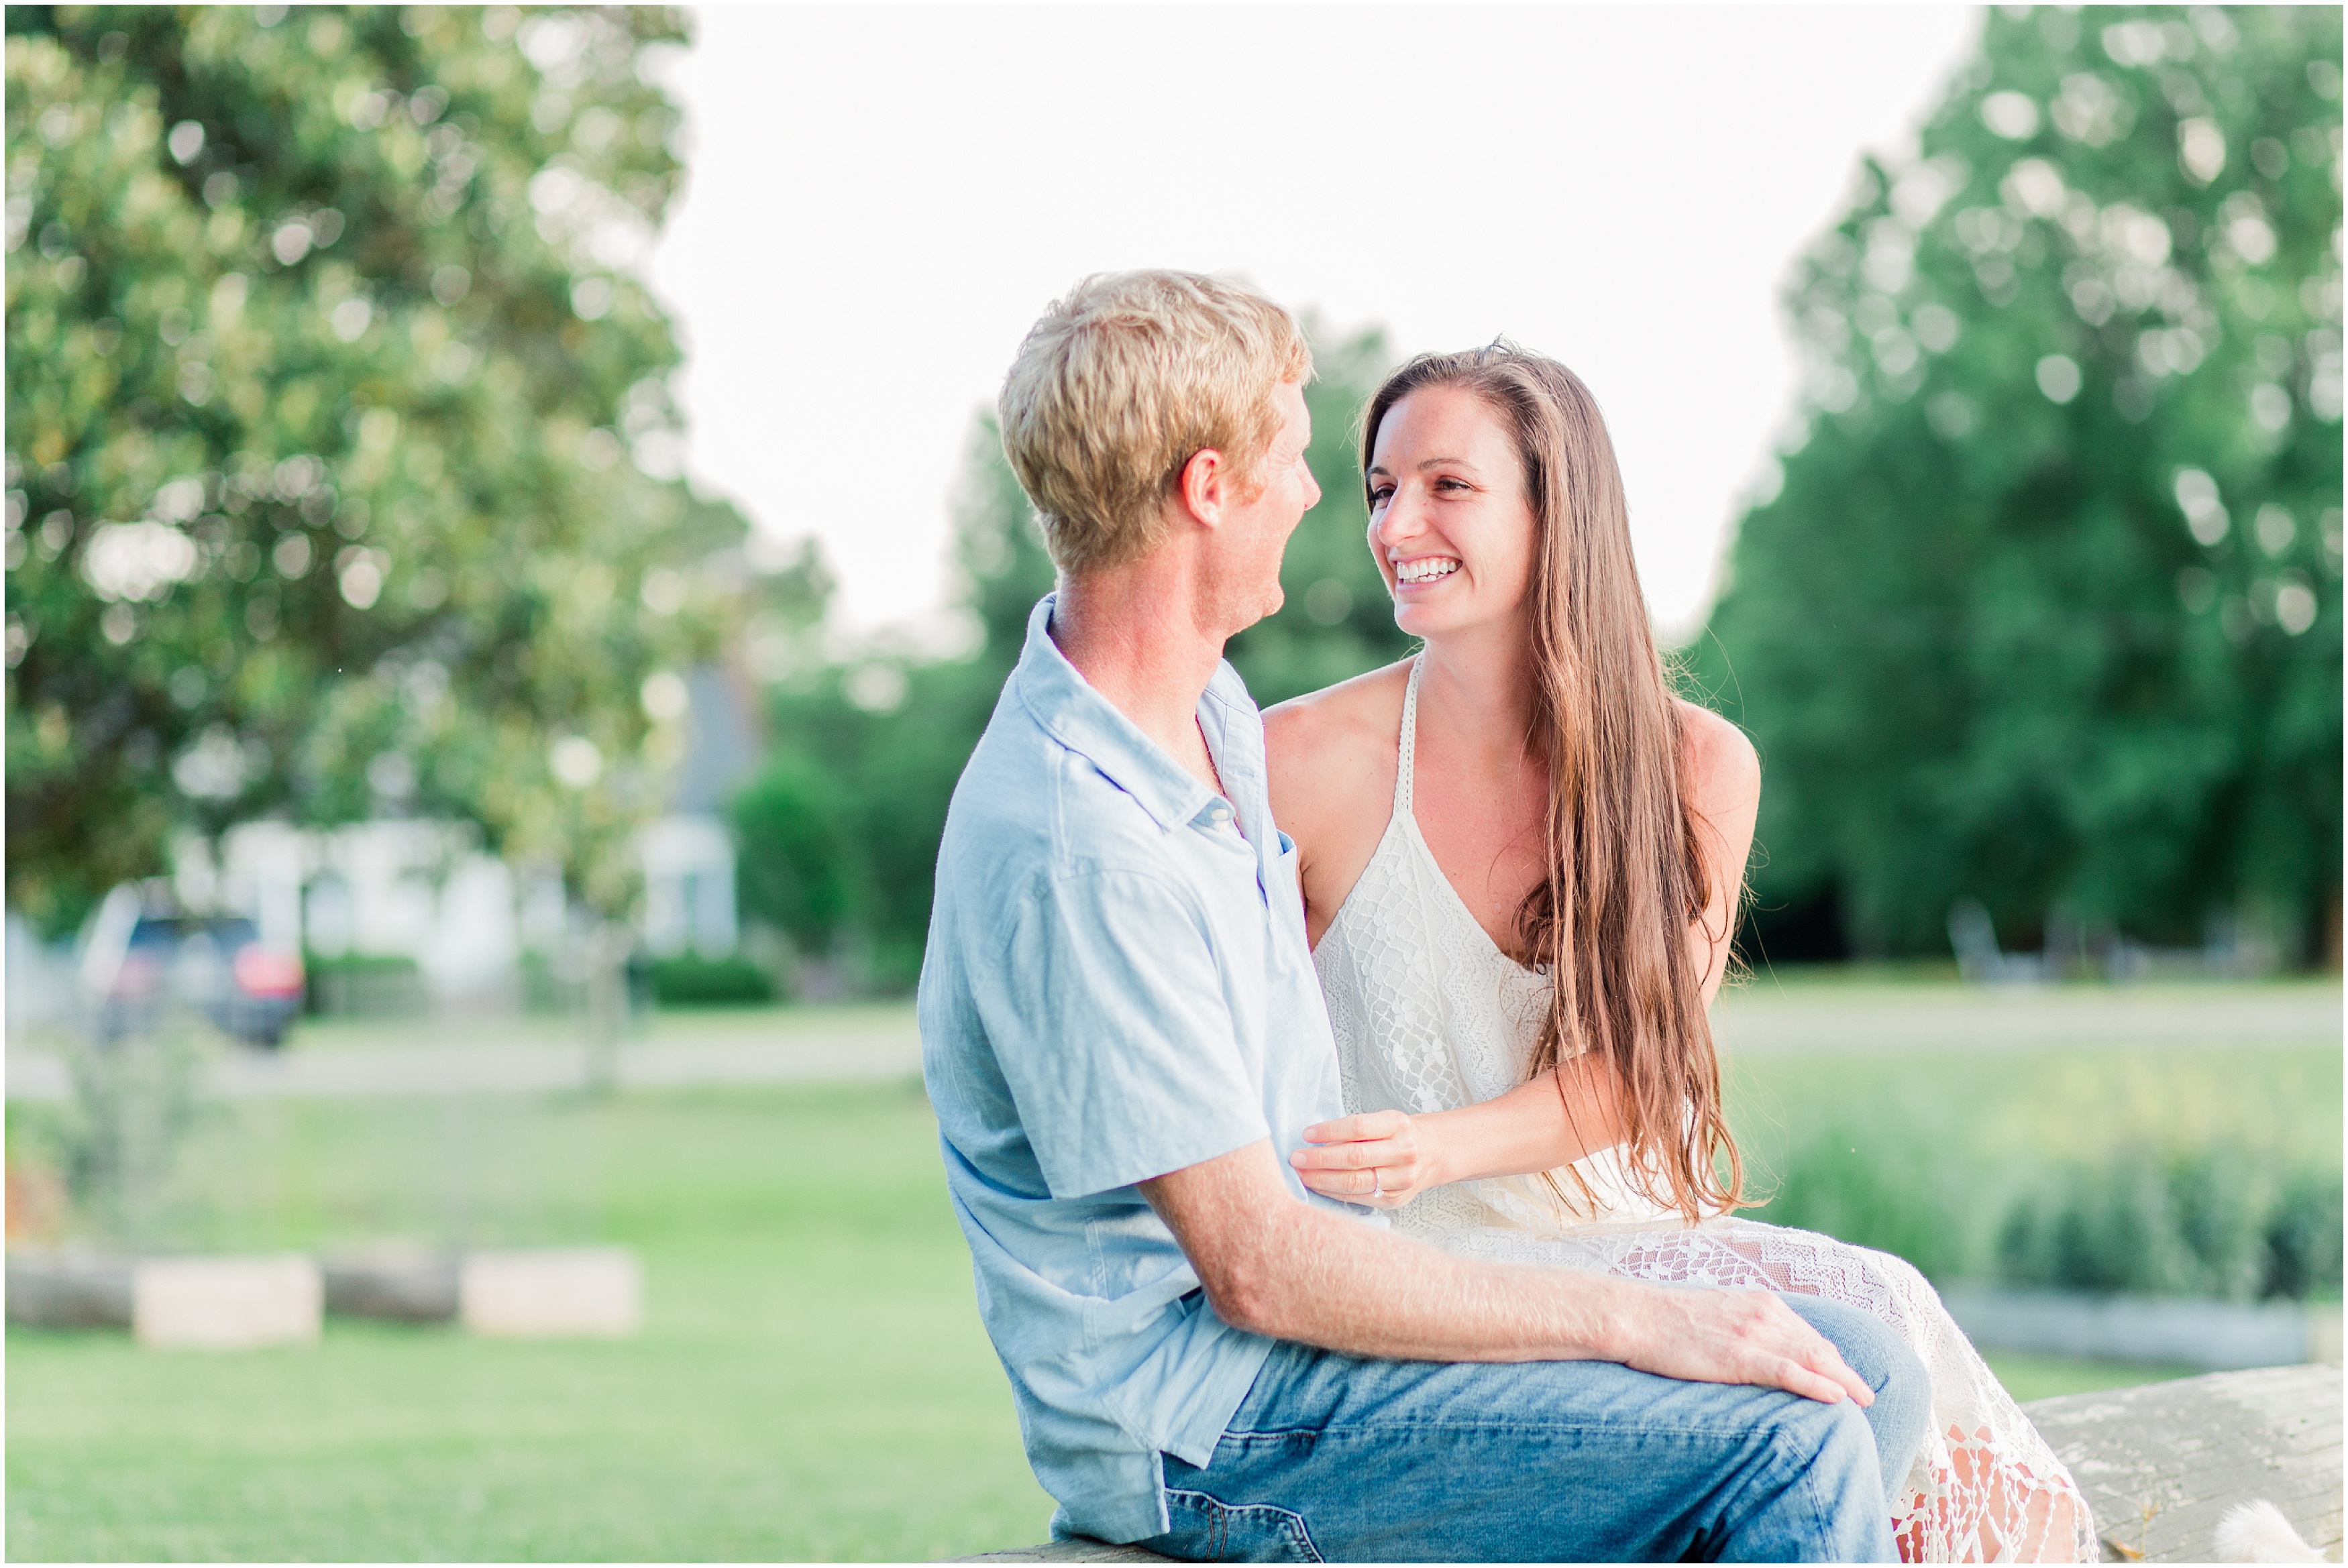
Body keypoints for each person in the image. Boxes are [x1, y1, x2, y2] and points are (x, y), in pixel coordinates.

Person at [920, 270, 1933, 1562]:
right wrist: (1634, 1324)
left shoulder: (1202, 722)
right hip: (1208, 1421)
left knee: (1866, 1375)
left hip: (1290, 1343)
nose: (1322, 502)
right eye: (1301, 460)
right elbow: (1261, 1268)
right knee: (1787, 1441)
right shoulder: (1083, 849)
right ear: (1208, 488)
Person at [1264, 344, 2094, 1563]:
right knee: (1852, 1365)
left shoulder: (1699, 768)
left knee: (1882, 1325)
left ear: (1559, 511)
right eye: (1383, 490)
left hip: (1621, 1229)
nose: (1399, 525)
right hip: (1416, 1258)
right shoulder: (1301, 760)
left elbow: (1635, 1076)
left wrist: (1437, 1140)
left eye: (1449, 485)